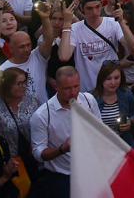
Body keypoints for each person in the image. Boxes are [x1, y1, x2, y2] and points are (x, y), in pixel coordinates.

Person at [29, 66, 101, 198]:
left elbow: (99, 130)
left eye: (76, 86)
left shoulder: (89, 100)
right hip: (62, 178)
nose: (73, 92)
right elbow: (38, 153)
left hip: (91, 172)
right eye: (67, 88)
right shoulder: (42, 115)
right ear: (56, 86)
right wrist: (62, 149)